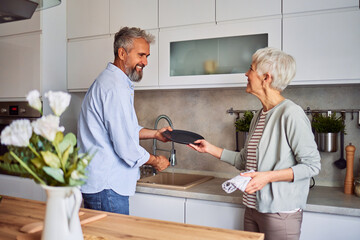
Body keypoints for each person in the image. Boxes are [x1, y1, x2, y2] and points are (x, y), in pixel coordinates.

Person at [189, 47, 321, 240]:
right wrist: (210, 149)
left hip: (280, 213)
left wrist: (267, 177)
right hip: (252, 208)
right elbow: (244, 160)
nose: (246, 74)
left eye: (250, 69)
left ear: (266, 77)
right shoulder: (259, 116)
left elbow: (312, 166)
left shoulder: (291, 114)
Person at [77, 27, 171, 215]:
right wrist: (154, 161)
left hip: (102, 186)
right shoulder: (115, 88)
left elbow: (123, 130)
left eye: (147, 56)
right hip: (107, 187)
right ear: (122, 53)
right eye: (141, 55)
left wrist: (155, 134)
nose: (145, 62)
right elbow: (125, 145)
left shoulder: (112, 82)